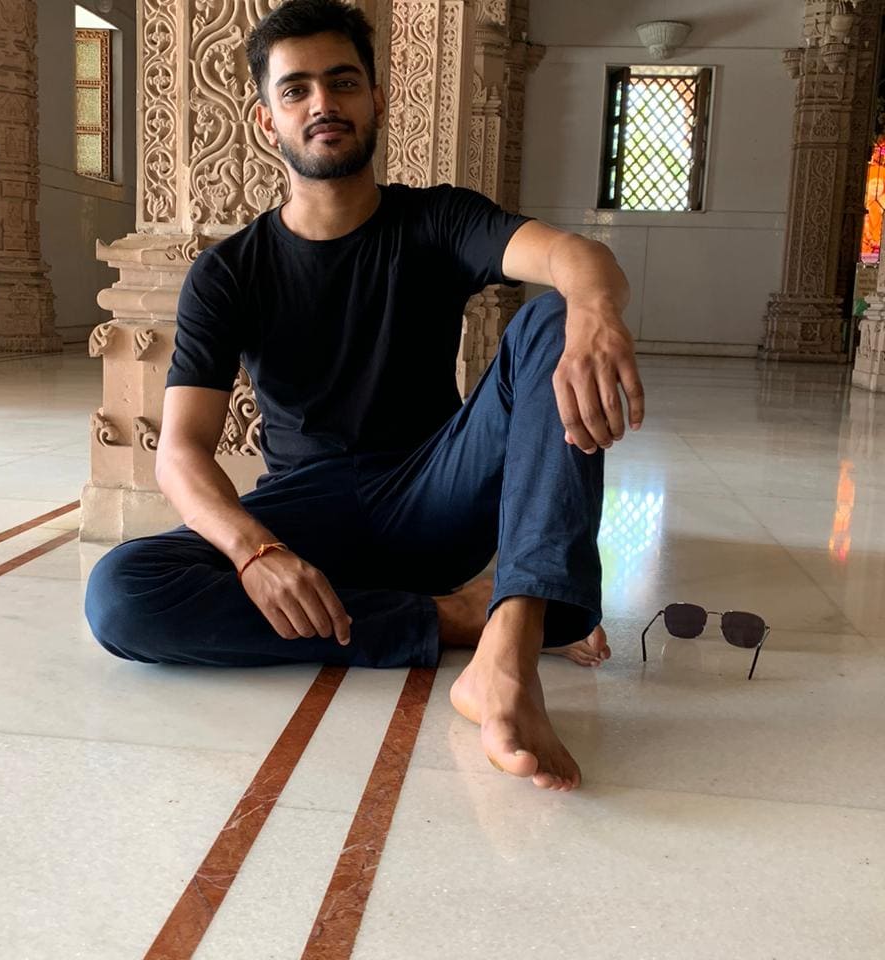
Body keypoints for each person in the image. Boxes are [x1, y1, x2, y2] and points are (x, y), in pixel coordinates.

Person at [84, 0, 644, 793]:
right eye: (296, 90)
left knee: (553, 317)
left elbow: (576, 257)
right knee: (121, 595)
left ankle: (511, 651)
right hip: (308, 512)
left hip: (436, 492)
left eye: (343, 82)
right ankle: (460, 617)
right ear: (267, 119)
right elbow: (179, 452)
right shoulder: (229, 272)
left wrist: (595, 310)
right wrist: (256, 553)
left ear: (376, 100)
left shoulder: (438, 219)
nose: (323, 103)